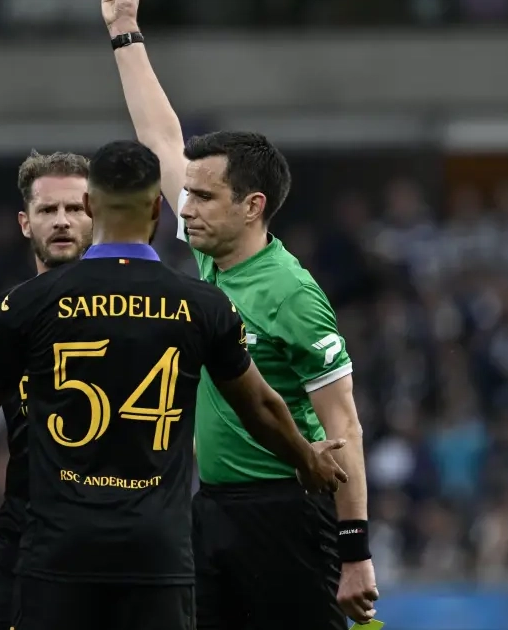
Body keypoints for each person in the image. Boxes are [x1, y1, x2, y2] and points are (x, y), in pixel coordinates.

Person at [0, 140, 349, 630]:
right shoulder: (202, 305)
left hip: (59, 553)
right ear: (157, 209)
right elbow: (260, 406)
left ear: (91, 206)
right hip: (157, 553)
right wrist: (304, 458)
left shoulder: (29, 304)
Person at [101, 1, 380, 627]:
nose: (185, 208)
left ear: (252, 206)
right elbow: (161, 139)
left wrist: (356, 552)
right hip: (214, 509)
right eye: (188, 195)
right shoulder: (213, 258)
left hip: (289, 514)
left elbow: (345, 427)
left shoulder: (292, 294)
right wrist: (123, 31)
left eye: (203, 197)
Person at [0, 150, 92, 630]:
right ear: (24, 222)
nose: (62, 221)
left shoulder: (140, 311)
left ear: (97, 216)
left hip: (118, 537)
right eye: (47, 209)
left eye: (75, 208)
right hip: (26, 532)